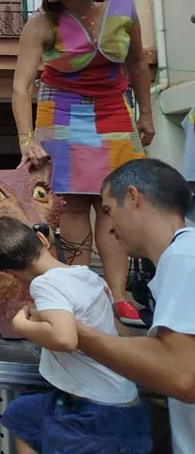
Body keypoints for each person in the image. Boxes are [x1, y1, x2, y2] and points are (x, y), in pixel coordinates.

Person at [13, 0, 154, 328]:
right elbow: (22, 87)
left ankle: (120, 297)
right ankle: (80, 293)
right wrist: (26, 139)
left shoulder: (123, 4)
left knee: (113, 207)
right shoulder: (41, 22)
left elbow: (138, 64)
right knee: (73, 205)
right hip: (61, 115)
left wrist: (145, 114)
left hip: (113, 111)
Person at [0, 216, 153, 454]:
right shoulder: (87, 276)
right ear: (42, 238)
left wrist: (21, 325)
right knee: (22, 414)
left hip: (96, 416)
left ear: (6, 272)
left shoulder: (45, 285)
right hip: (121, 404)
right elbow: (116, 328)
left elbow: (64, 338)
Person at [77, 159, 195, 453]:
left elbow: (182, 375)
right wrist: (114, 329)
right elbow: (169, 357)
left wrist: (75, 334)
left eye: (107, 212)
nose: (109, 227)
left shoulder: (184, 258)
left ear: (132, 197)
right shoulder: (181, 256)